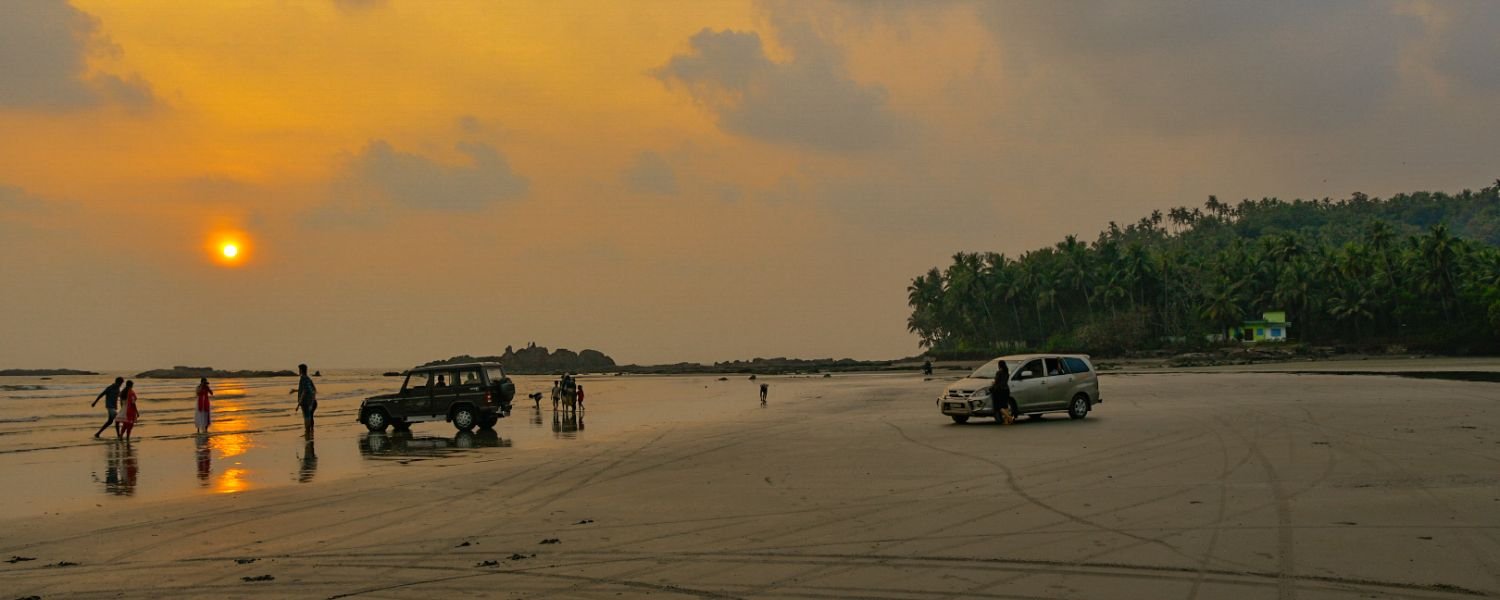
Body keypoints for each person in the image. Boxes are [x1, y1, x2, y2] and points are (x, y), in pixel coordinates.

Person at [289, 363, 317, 434]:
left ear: (301, 370)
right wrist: (295, 390)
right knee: (310, 417)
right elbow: (312, 390)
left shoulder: (303, 378)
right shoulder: (308, 378)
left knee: (307, 418)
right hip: (312, 402)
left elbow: (305, 391)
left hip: (306, 402)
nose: (298, 371)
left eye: (299, 369)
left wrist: (299, 403)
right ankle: (311, 432)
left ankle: (307, 433)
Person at [992, 361, 1014, 425]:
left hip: (1000, 390)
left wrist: (993, 383)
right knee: (1005, 406)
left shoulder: (999, 372)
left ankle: (1009, 418)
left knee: (999, 407)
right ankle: (1006, 422)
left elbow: (996, 382)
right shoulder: (1007, 372)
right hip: (1006, 390)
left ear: (999, 365)